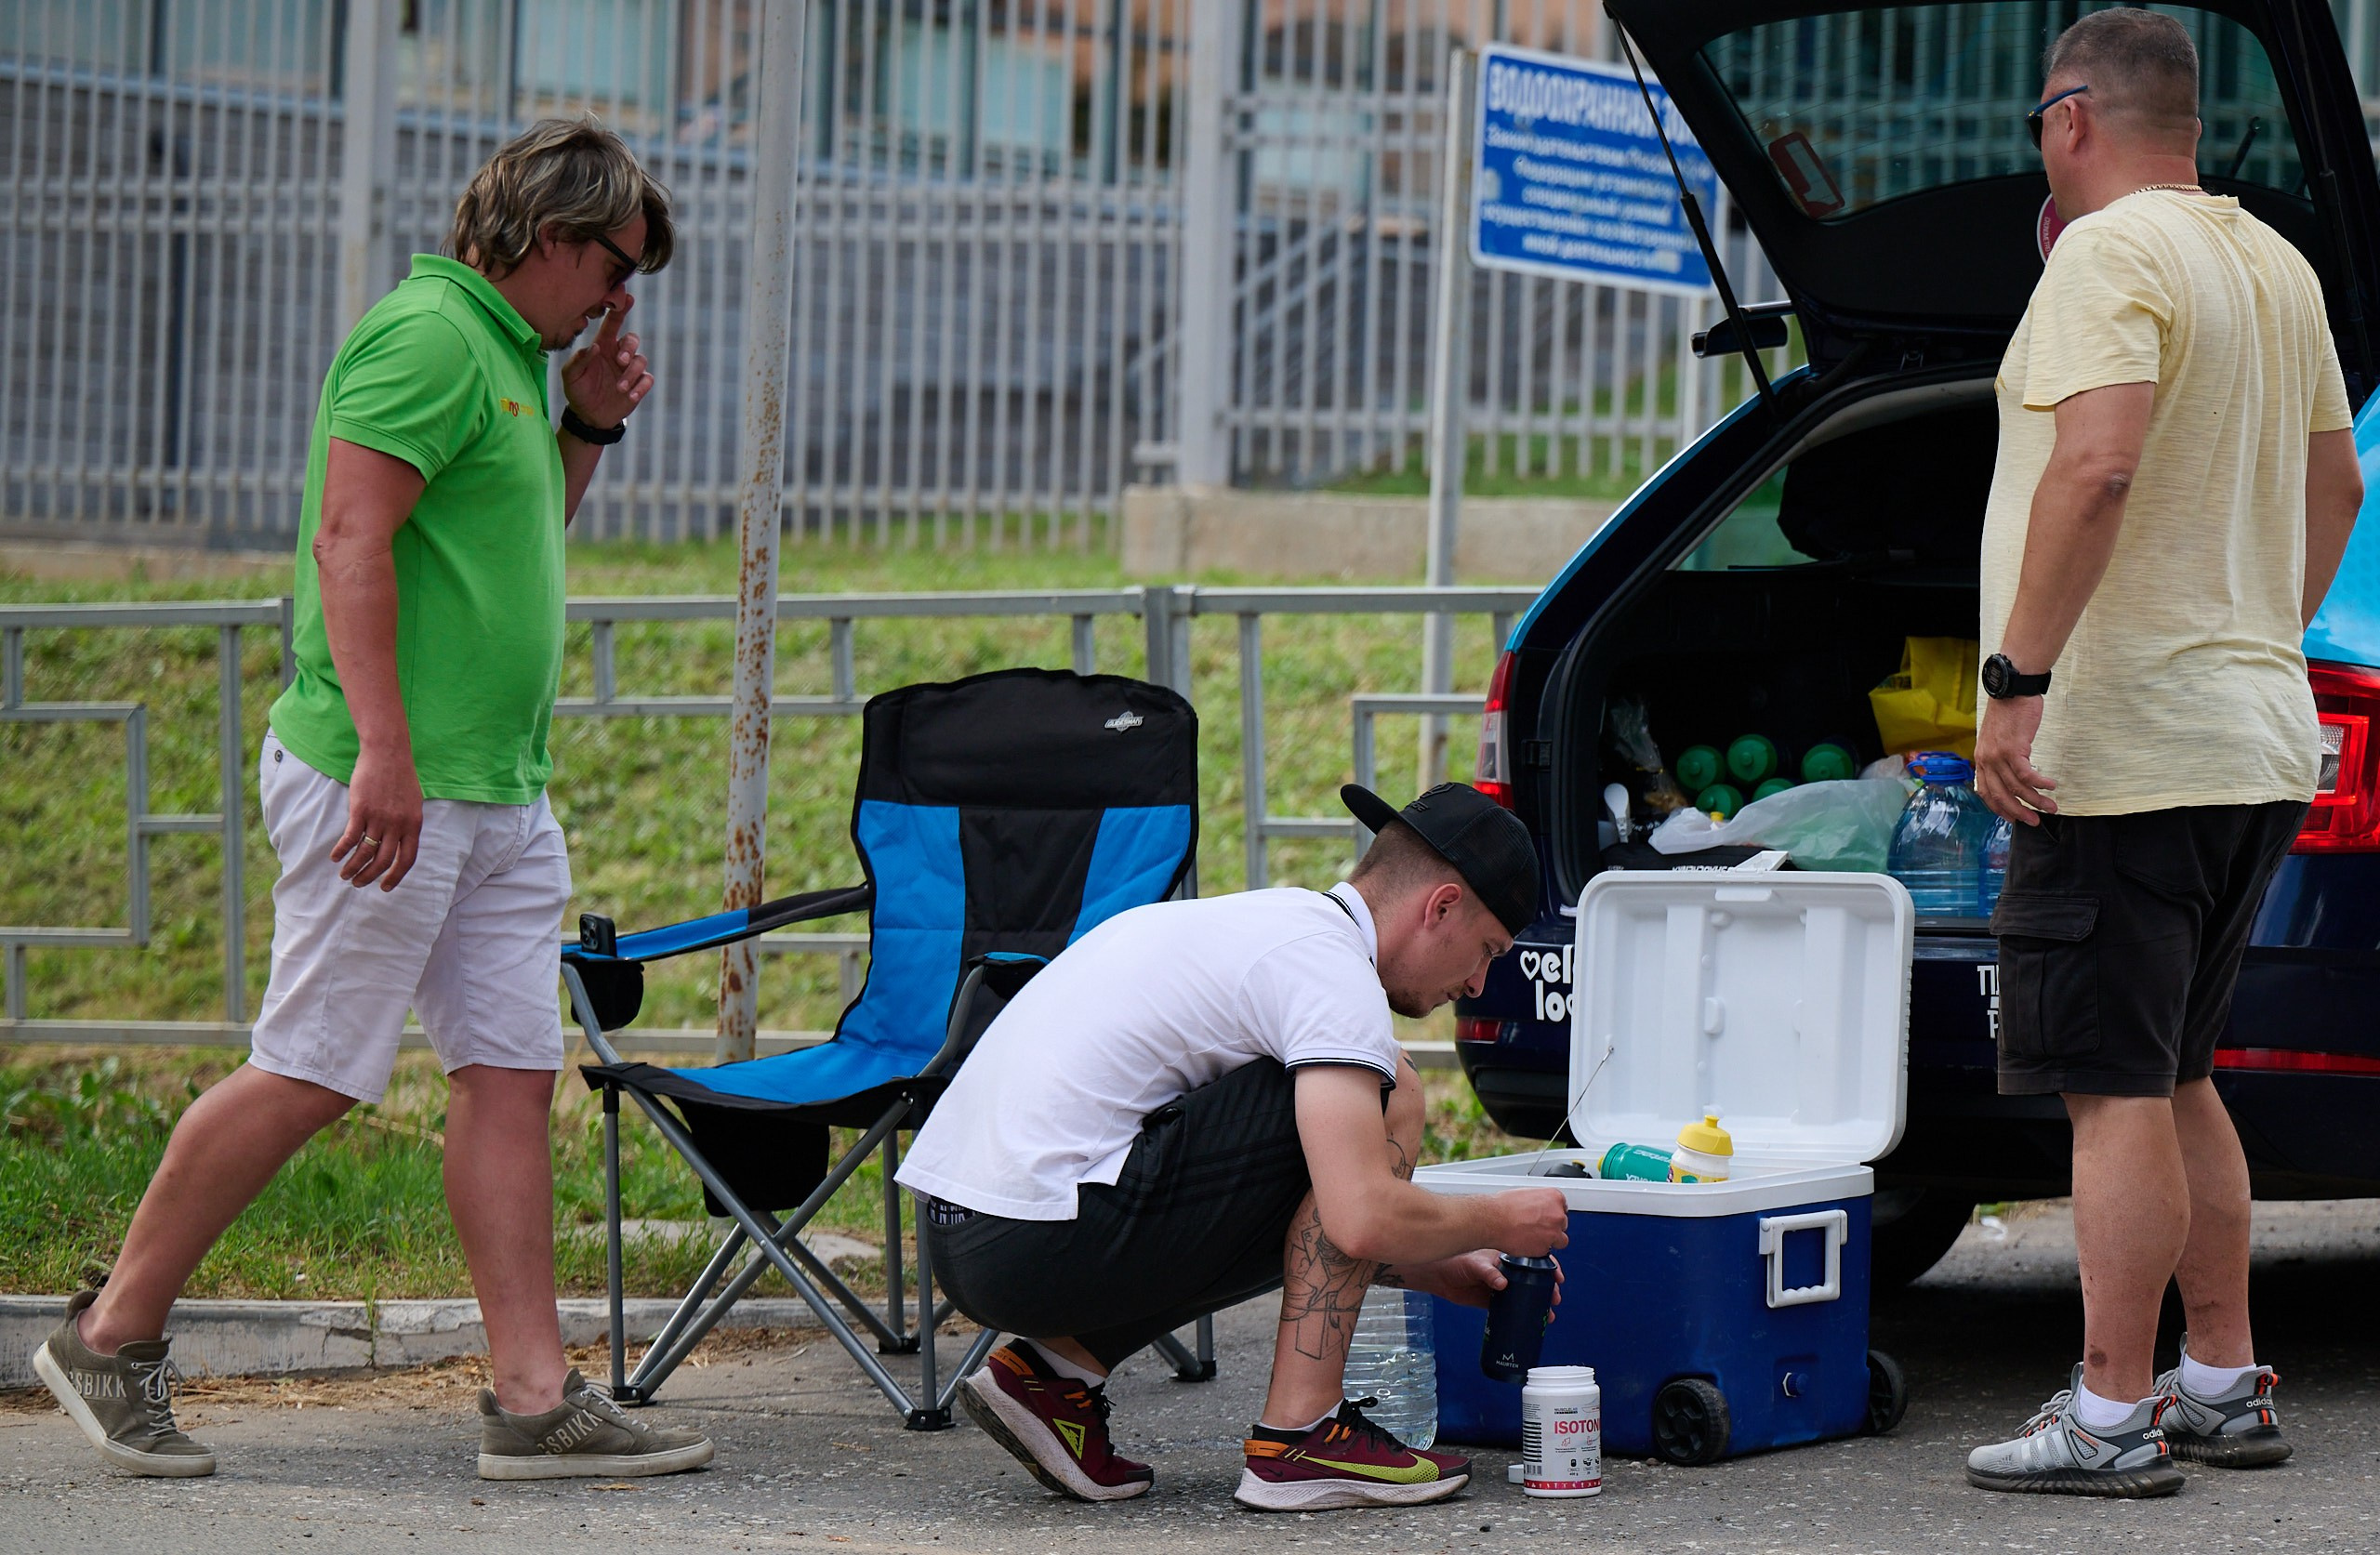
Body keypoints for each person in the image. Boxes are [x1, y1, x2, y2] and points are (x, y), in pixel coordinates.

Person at [33, 118, 715, 1483]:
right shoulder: (426, 339)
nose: (622, 296)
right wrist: (386, 756)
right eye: (615, 265)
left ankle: (532, 1400)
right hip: (393, 779)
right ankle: (111, 1332)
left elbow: (509, 550)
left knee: (510, 1076)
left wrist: (589, 420)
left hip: (497, 787)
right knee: (314, 1068)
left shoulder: (513, 359)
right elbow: (351, 540)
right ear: (548, 235)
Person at [1965, 9, 2362, 1499]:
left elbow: (2102, 458)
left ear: (2072, 120)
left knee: (2113, 1083)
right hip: (2251, 735)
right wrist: (2256, 625)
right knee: (2183, 1068)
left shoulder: (2107, 257)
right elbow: (2335, 477)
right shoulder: (2275, 264)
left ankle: (2113, 1409)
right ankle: (2218, 1377)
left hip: (2118, 746)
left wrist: (2019, 677)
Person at [894, 782, 1570, 1513]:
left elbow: (1295, 1210)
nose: (1476, 982)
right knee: (1392, 1091)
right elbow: (1356, 1215)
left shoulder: (1275, 922)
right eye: (1487, 951)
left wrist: (1428, 1263)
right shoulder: (1332, 972)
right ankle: (1302, 1436)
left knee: (1336, 1134)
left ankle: (1054, 1373)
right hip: (1031, 1235)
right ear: (1440, 906)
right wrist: (1500, 1219)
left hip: (972, 1231)